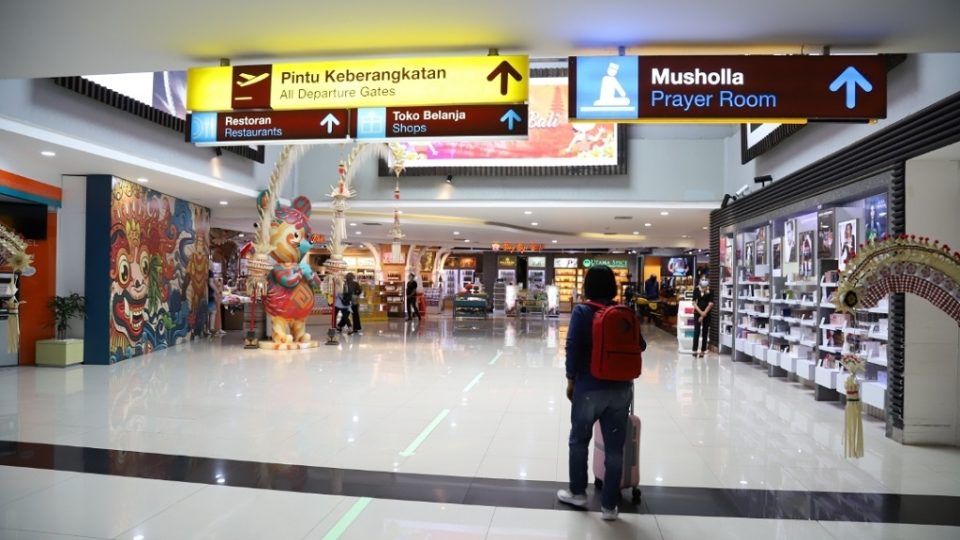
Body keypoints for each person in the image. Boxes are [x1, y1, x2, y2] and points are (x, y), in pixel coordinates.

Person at [557, 265, 638, 521]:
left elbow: (572, 347)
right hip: (621, 389)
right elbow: (642, 344)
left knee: (579, 440)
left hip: (589, 386)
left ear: (587, 286)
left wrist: (571, 379)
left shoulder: (582, 311)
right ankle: (609, 506)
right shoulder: (624, 312)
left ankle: (578, 492)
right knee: (615, 448)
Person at [691, 278, 713, 357]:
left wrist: (703, 314)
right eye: (702, 286)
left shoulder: (710, 291)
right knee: (696, 331)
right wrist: (701, 313)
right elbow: (693, 303)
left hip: (707, 314)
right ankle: (694, 349)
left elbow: (710, 304)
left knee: (705, 332)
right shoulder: (696, 290)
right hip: (697, 313)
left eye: (705, 286)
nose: (703, 288)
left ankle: (703, 350)